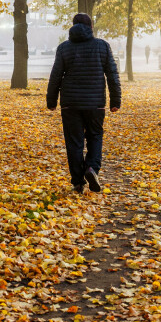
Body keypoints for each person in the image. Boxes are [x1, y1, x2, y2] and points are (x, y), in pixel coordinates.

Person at [47, 13, 121, 194]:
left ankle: (78, 182)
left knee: (74, 143)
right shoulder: (102, 46)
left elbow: (56, 75)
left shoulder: (64, 48)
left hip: (70, 104)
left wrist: (51, 101)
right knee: (95, 136)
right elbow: (112, 74)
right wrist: (115, 100)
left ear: (72, 27)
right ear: (91, 27)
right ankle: (92, 169)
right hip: (95, 104)